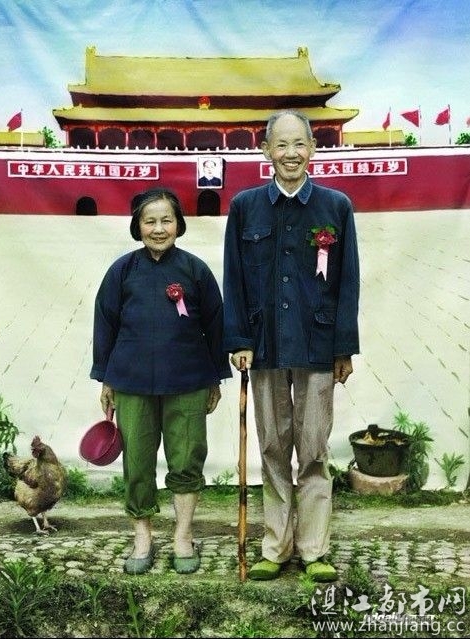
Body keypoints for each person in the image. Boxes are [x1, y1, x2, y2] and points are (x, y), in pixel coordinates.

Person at [223, 110, 360, 582]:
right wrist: (239, 339)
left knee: (314, 448)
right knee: (273, 448)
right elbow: (234, 278)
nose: (290, 154)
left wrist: (343, 348)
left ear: (313, 149)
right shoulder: (245, 207)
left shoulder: (335, 206)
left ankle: (314, 549)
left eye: (299, 144)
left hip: (318, 345)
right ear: (266, 151)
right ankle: (276, 548)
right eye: (281, 145)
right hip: (263, 347)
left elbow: (347, 282)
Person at [90, 187, 231, 575]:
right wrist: (106, 378)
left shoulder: (195, 270)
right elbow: (105, 323)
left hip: (188, 381)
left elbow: (215, 325)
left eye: (166, 220)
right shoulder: (122, 271)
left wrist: (216, 377)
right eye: (149, 221)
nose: (158, 228)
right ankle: (143, 538)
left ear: (178, 225)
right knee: (137, 463)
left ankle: (183, 536)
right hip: (131, 382)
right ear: (137, 227)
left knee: (186, 459)